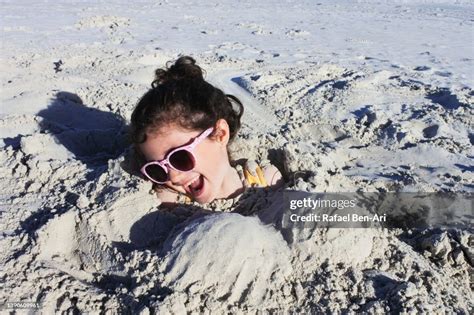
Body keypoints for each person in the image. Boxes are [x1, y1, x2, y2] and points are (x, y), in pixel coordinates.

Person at [130, 55, 282, 207]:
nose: (173, 177)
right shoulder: (170, 202)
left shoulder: (266, 180)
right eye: (157, 169)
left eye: (180, 158)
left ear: (220, 134)